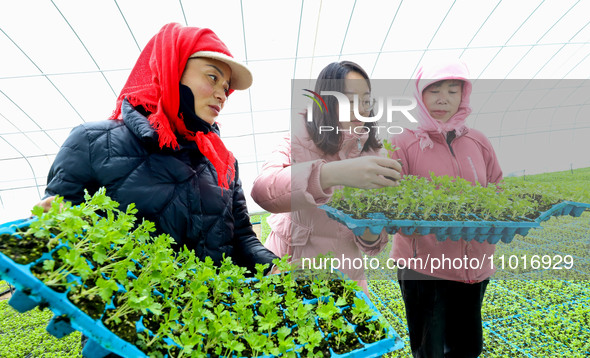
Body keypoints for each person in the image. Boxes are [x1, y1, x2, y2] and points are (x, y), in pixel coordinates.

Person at [36, 22, 278, 275]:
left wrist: (274, 266)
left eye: (226, 88)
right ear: (171, 70)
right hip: (127, 311)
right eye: (213, 77)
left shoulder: (222, 163)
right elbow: (56, 234)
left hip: (212, 310)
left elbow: (242, 236)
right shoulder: (91, 142)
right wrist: (54, 222)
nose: (222, 95)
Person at [251, 61, 402, 292]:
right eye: (349, 100)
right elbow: (263, 191)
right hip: (289, 266)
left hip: (346, 275)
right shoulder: (297, 140)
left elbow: (374, 243)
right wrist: (329, 174)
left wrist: (371, 233)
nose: (359, 109)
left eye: (365, 100)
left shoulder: (375, 154)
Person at [388, 58, 502, 358]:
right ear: (420, 95)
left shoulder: (478, 141)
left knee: (468, 347)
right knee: (430, 350)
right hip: (424, 269)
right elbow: (389, 200)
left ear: (463, 96)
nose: (443, 99)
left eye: (453, 91)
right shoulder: (403, 143)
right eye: (434, 90)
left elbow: (497, 187)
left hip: (474, 266)